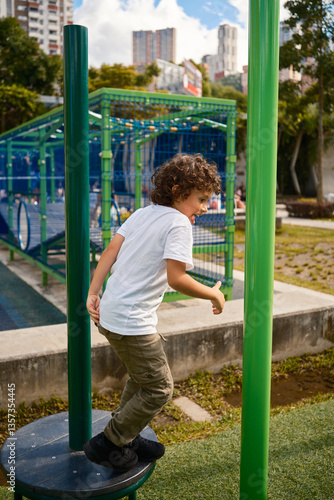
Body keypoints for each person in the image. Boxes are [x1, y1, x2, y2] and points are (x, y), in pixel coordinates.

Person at [85, 153, 225, 473]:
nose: (205, 207)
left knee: (142, 377)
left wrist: (93, 292)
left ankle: (127, 434)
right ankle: (109, 442)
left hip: (111, 312)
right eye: (201, 199)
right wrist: (213, 294)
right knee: (160, 388)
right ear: (178, 191)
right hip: (132, 322)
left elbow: (110, 252)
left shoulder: (143, 213)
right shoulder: (178, 223)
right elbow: (177, 278)